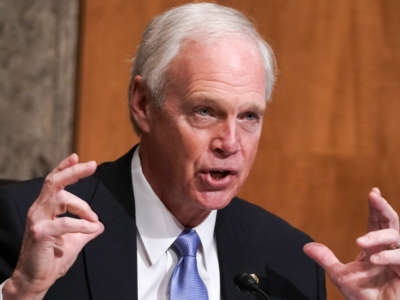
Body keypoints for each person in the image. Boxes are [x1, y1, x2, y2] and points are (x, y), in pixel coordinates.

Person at [0, 3, 399, 300]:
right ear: (143, 103)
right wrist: (23, 292)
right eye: (205, 111)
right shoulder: (34, 228)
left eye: (248, 116)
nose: (230, 143)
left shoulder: (287, 262)